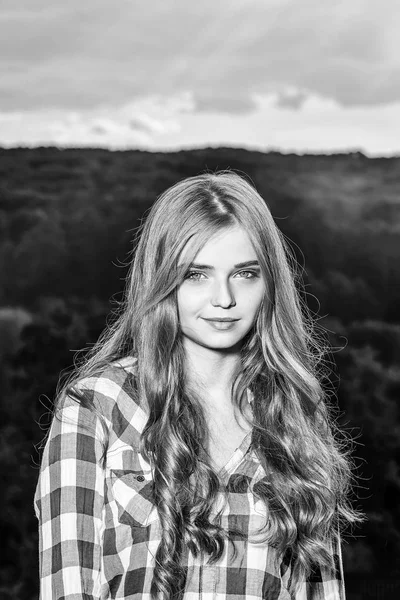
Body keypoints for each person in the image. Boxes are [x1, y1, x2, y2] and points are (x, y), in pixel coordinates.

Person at [34, 171, 362, 600]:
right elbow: (67, 587)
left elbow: (324, 590)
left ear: (270, 284)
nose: (223, 299)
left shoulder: (295, 417)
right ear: (162, 280)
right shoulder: (97, 408)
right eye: (196, 274)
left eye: (245, 274)